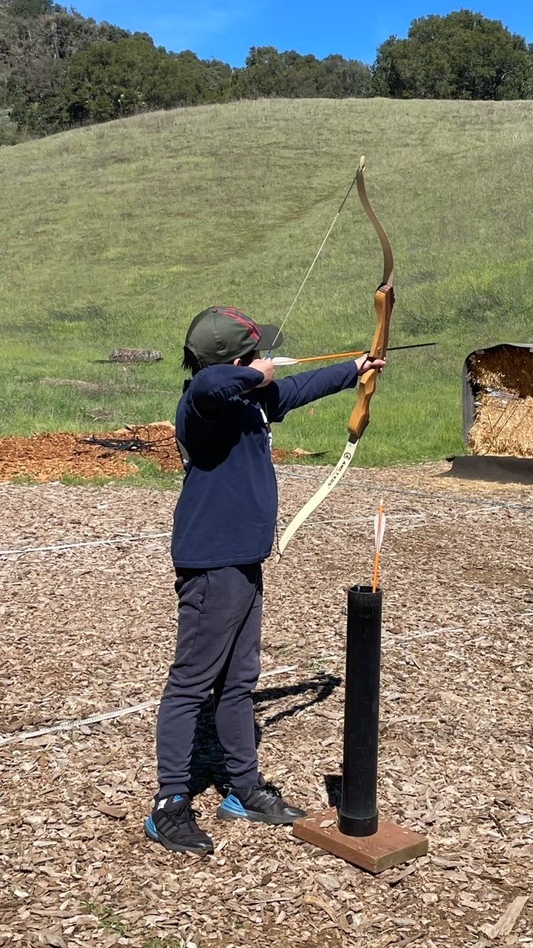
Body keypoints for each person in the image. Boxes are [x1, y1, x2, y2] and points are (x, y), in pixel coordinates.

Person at [144, 305, 386, 855]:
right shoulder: (203, 402)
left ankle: (244, 789)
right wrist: (255, 374)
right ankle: (169, 803)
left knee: (239, 681)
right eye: (252, 354)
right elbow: (211, 383)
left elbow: (295, 389)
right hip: (213, 564)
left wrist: (356, 368)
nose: (262, 360)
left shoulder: (248, 397)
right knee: (191, 683)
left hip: (243, 561)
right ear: (236, 361)